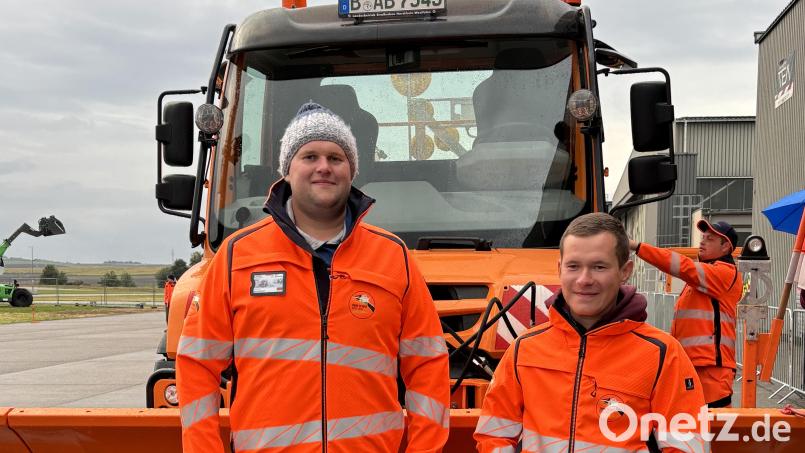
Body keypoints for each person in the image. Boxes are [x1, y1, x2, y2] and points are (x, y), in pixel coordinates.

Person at [177, 102, 450, 453]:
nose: (324, 167)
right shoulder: (236, 256)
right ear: (287, 171)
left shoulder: (394, 257)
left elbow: (428, 365)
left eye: (336, 158)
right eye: (309, 156)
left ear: (351, 171)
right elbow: (197, 364)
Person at [475, 213, 706, 452]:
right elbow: (494, 435)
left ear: (625, 270)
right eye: (573, 266)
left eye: (599, 267)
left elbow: (686, 446)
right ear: (559, 269)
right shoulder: (523, 350)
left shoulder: (663, 355)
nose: (584, 280)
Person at [631, 220, 742, 408]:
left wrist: (637, 246)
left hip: (712, 369)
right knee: (694, 425)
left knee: (715, 428)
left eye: (710, 239)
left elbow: (682, 266)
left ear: (726, 247)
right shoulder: (705, 278)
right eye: (703, 237)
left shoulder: (724, 273)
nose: (702, 242)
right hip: (696, 363)